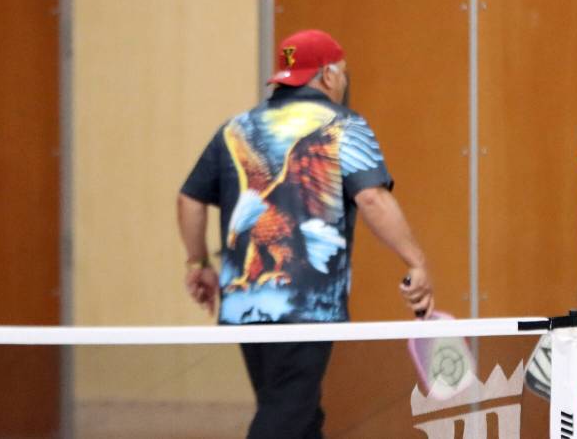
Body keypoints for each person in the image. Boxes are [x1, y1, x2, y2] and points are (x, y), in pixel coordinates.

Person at [177, 28, 433, 439]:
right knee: (285, 414)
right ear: (329, 75)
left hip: (245, 300)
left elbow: (189, 200)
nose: (345, 82)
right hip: (308, 306)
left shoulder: (234, 129)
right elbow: (372, 199)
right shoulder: (343, 125)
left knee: (297, 411)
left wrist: (198, 263)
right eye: (344, 73)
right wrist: (416, 261)